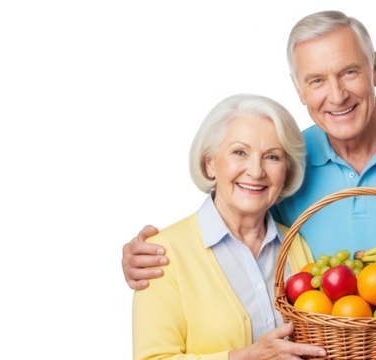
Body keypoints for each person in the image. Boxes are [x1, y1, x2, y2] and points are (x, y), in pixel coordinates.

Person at [124, 10, 376, 360]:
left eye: (350, 72)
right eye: (317, 80)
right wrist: (146, 256)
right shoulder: (286, 158)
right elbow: (232, 217)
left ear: (375, 68)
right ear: (298, 89)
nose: (336, 96)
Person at [130, 93, 327, 359]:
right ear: (210, 163)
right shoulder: (160, 253)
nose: (256, 171)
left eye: (272, 157)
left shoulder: (297, 244)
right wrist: (248, 356)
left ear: (287, 171)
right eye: (239, 152)